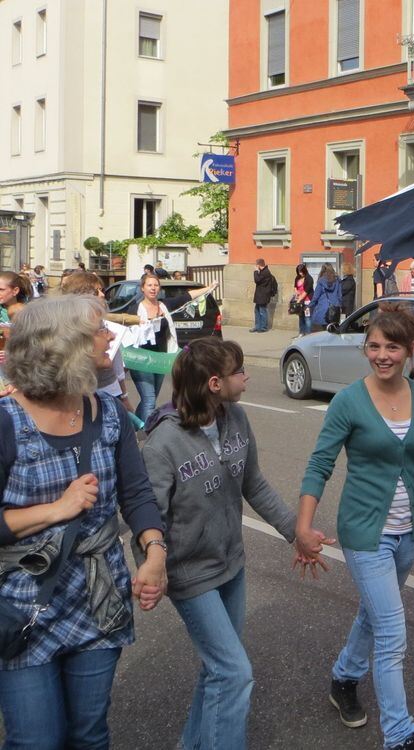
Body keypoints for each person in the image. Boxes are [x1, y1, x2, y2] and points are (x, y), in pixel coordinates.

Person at [295, 302, 414, 750]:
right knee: (392, 631)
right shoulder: (349, 401)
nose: (382, 355)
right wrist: (304, 526)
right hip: (363, 532)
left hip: (406, 532)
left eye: (392, 346)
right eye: (374, 346)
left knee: (374, 615)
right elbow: (320, 464)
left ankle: (343, 679)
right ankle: (400, 733)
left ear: (410, 349)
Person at [0, 295, 167, 749]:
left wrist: (154, 552)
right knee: (36, 741)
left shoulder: (108, 413)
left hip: (99, 597)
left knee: (90, 736)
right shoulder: (6, 422)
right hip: (24, 603)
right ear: (64, 344)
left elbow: (136, 494)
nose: (112, 337)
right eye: (100, 330)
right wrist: (57, 509)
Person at [141, 339, 299, 750]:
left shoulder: (236, 418)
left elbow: (253, 482)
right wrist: (150, 569)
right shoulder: (162, 443)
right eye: (239, 371)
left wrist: (295, 531)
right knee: (234, 673)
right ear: (215, 383)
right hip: (190, 573)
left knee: (218, 670)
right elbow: (145, 517)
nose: (246, 378)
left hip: (231, 563)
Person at [132, 273, 219, 422]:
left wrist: (208, 288)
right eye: (149, 285)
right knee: (150, 399)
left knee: (149, 399)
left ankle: (134, 425)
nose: (153, 288)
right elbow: (125, 334)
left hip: (160, 359)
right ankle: (146, 433)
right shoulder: (135, 309)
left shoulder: (165, 305)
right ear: (142, 289)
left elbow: (187, 296)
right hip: (141, 360)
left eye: (156, 285)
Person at [60, 271, 135, 413]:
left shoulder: (102, 320)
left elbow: (116, 362)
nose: (102, 295)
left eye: (102, 290)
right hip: (81, 396)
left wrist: (124, 396)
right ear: (80, 295)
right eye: (96, 291)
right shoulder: (66, 328)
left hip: (110, 390)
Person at [309, 264, 342, 332]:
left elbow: (315, 297)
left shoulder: (321, 282)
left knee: (320, 333)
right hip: (335, 311)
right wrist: (339, 306)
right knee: (332, 333)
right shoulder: (337, 281)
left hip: (322, 311)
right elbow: (340, 296)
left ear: (322, 271)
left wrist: (309, 306)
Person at [251, 258, 276, 332]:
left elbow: (257, 280)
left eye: (256, 265)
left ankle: (263, 327)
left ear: (259, 265)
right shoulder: (263, 271)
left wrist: (255, 271)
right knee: (257, 310)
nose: (255, 266)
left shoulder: (266, 272)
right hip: (260, 295)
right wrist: (258, 271)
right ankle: (257, 326)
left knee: (262, 311)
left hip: (263, 295)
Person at [294, 263, 315, 336]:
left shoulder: (309, 279)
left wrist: (299, 299)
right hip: (300, 300)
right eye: (299, 272)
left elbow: (306, 291)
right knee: (301, 317)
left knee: (307, 317)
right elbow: (295, 286)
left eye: (301, 271)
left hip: (307, 300)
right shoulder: (297, 278)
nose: (300, 273)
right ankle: (301, 332)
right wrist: (296, 292)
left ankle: (308, 333)